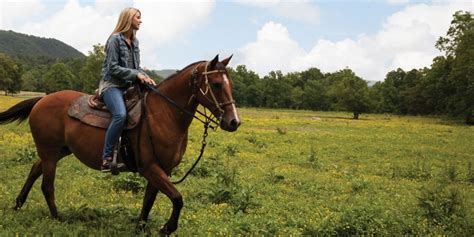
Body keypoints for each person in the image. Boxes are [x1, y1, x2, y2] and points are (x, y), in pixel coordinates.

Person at [99, 7, 156, 172]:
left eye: (140, 18)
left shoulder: (135, 42)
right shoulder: (114, 40)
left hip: (128, 86)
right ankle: (106, 158)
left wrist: (146, 77)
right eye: (138, 17)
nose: (140, 21)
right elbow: (112, 68)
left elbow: (136, 68)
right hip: (112, 85)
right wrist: (136, 75)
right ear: (129, 19)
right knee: (120, 115)